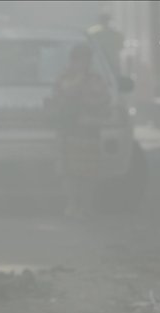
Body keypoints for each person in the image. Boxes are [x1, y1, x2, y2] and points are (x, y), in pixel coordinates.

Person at [49, 43, 110, 219]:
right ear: (73, 60)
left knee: (89, 173)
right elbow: (64, 92)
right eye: (79, 59)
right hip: (69, 132)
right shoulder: (65, 77)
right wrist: (79, 81)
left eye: (86, 59)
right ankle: (72, 205)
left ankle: (86, 207)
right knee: (69, 172)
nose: (83, 63)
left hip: (89, 132)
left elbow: (103, 99)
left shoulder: (95, 78)